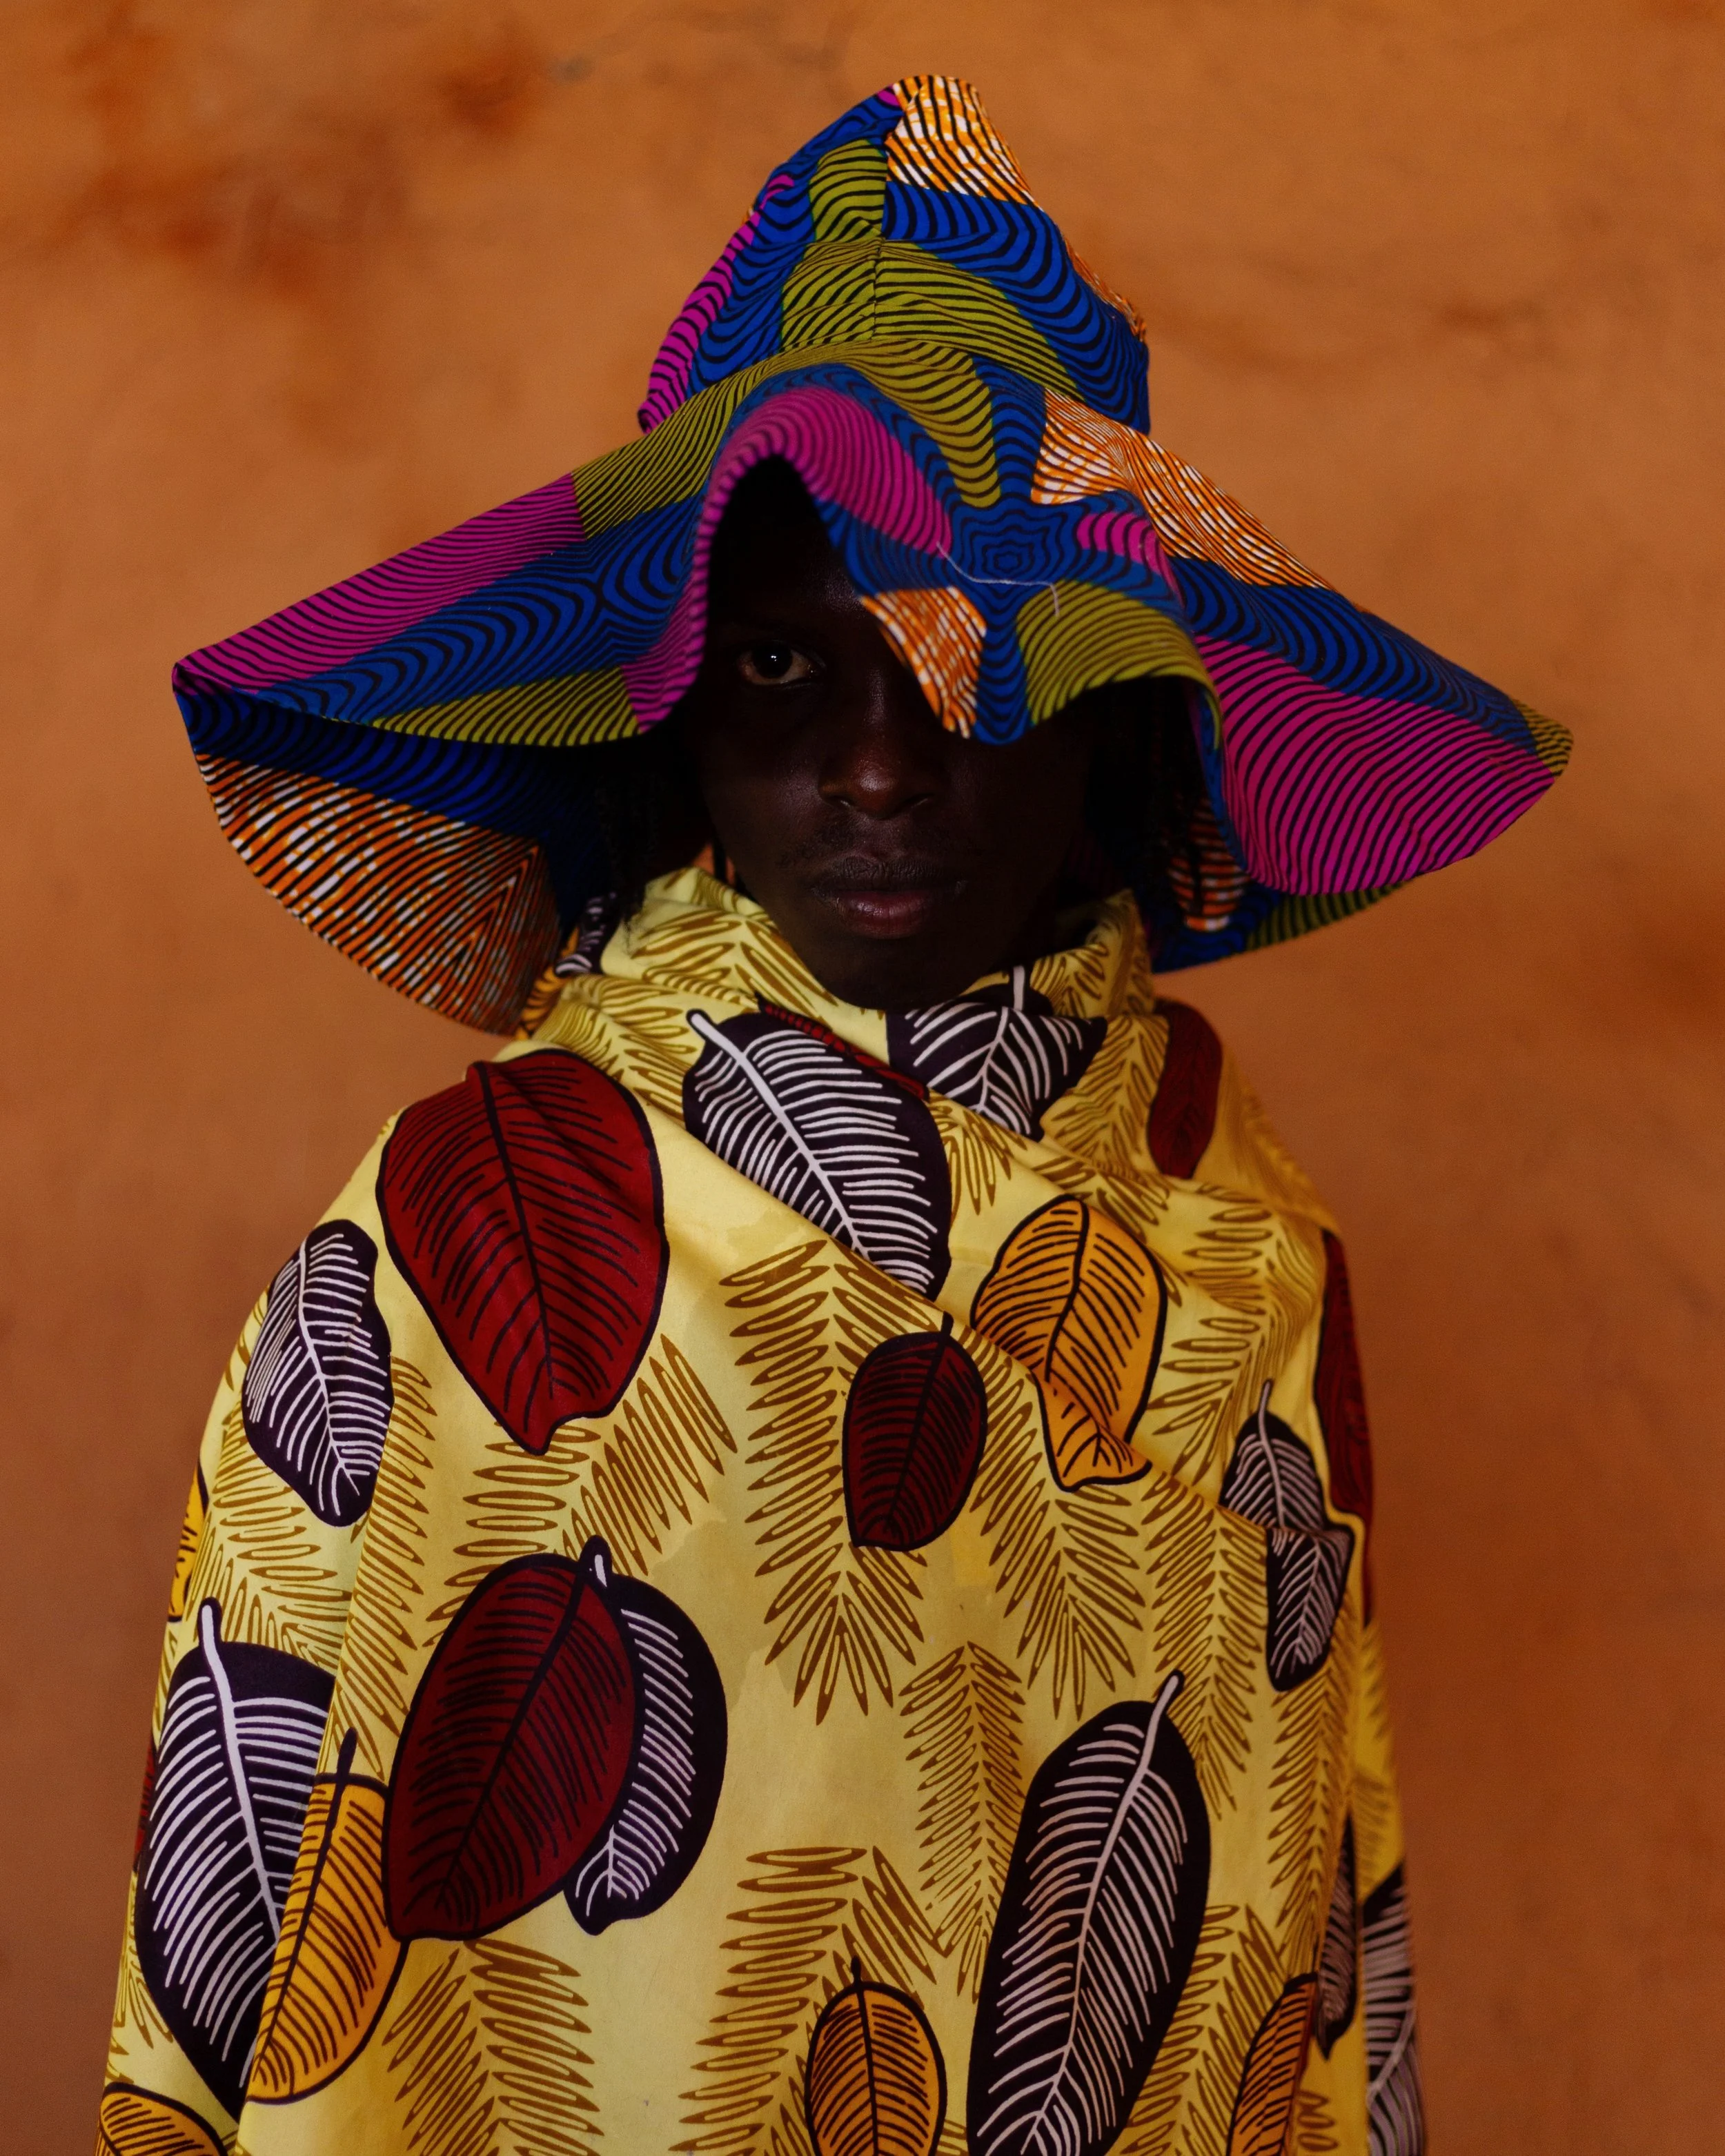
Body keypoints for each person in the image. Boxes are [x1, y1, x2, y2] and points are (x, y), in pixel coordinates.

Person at [99, 77, 1566, 2156]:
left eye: (976, 670)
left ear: (1121, 702)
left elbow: (1312, 1923)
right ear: (673, 697)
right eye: (789, 665)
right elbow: (250, 1901)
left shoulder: (1250, 1254)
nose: (882, 771)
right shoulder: (458, 1245)